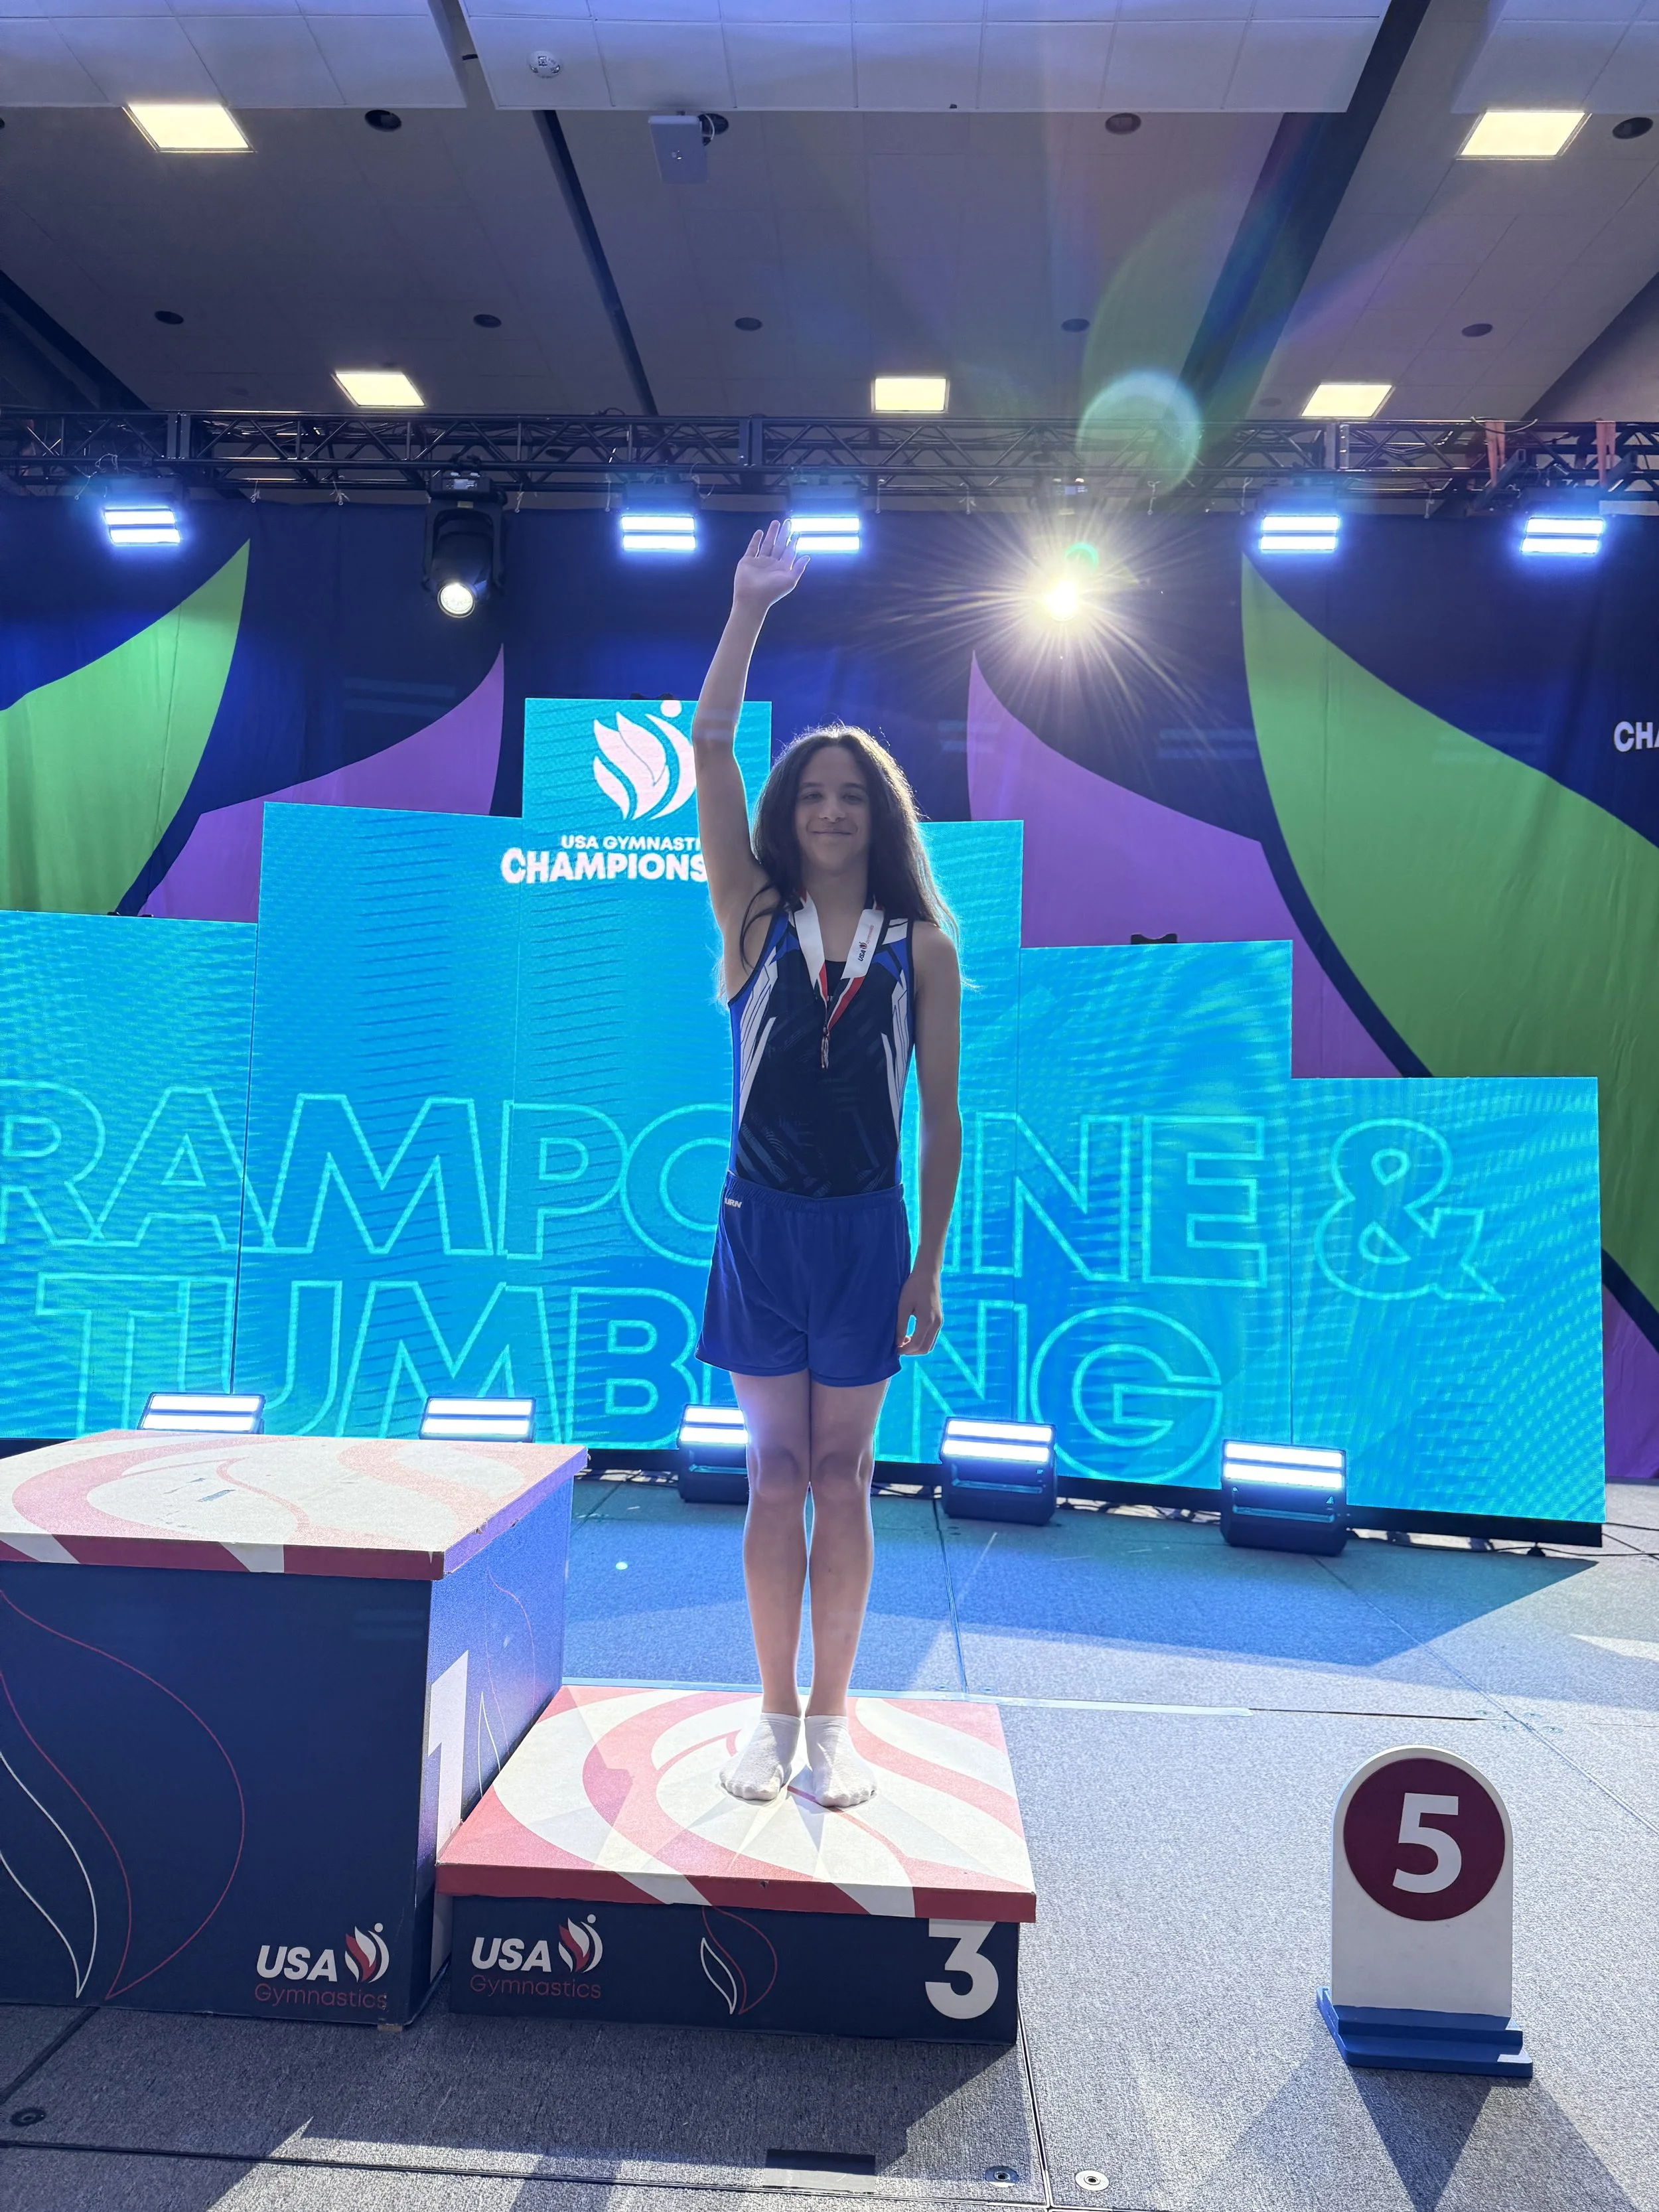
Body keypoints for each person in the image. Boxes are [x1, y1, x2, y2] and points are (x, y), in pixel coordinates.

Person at [692, 521, 963, 1812]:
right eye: (813, 794)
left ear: (879, 816)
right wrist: (750, 605)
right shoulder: (748, 916)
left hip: (864, 1233)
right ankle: (767, 1712)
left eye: (852, 796)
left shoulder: (923, 946)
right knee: (772, 1474)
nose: (832, 810)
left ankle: (834, 1723)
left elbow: (946, 1122)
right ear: (788, 812)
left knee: (844, 1476)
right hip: (759, 1229)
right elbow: (704, 746)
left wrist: (924, 1267)